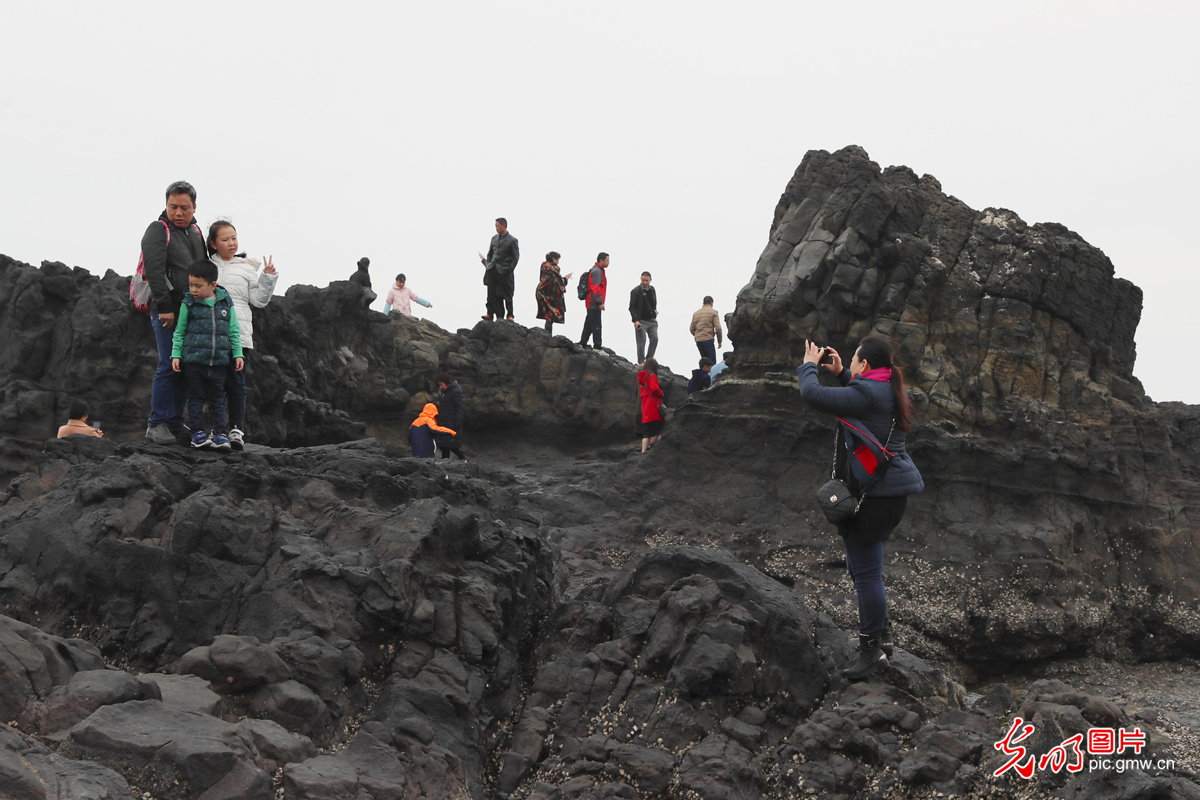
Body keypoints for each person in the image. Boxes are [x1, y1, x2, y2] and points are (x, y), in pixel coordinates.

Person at [797, 334, 924, 680]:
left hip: (875, 498)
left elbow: (812, 394)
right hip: (888, 495)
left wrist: (809, 365)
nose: (850, 362)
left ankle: (870, 652)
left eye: (853, 359)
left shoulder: (869, 393)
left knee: (866, 574)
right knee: (863, 569)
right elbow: (862, 397)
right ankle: (882, 638)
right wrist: (840, 373)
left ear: (865, 365)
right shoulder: (887, 389)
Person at [142, 181, 207, 445]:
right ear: (166, 205)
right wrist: (165, 308)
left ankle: (174, 422)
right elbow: (154, 270)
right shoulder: (158, 230)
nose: (178, 213)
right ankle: (156, 424)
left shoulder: (195, 231)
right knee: (169, 365)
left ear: (194, 207)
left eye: (184, 208)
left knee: (185, 366)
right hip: (168, 312)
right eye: (173, 207)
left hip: (192, 311)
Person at [208, 221, 278, 450]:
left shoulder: (247, 268)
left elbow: (259, 301)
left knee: (237, 384)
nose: (231, 243)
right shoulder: (207, 266)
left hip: (240, 335)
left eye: (234, 238)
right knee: (214, 383)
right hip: (212, 335)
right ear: (213, 244)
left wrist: (267, 278)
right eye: (225, 239)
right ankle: (217, 429)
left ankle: (236, 429)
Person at [171, 259, 244, 451]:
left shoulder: (225, 303)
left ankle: (220, 433)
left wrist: (238, 354)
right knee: (195, 398)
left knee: (217, 399)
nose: (193, 290)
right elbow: (179, 331)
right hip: (194, 362)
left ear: (213, 285)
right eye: (190, 285)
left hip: (219, 362)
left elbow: (234, 331)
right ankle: (197, 434)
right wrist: (176, 355)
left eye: (198, 286)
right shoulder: (188, 303)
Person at [479, 218, 519, 321]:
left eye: (498, 226)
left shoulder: (512, 240)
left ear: (504, 226)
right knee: (491, 293)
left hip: (505, 270)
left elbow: (516, 257)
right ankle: (490, 313)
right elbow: (490, 253)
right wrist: (488, 264)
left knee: (507, 293)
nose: (496, 228)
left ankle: (510, 315)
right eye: (496, 226)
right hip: (493, 269)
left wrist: (509, 269)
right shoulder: (494, 238)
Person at [535, 252, 571, 334]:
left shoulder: (544, 266)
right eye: (558, 259)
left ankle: (547, 335)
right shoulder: (554, 269)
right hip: (549, 295)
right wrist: (566, 278)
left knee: (548, 315)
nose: (558, 262)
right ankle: (548, 336)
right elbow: (558, 282)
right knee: (550, 316)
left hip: (541, 292)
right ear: (554, 259)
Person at [579, 253, 609, 349]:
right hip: (593, 302)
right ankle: (597, 347)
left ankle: (582, 343)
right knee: (596, 325)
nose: (608, 262)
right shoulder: (597, 271)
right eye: (607, 260)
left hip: (591, 302)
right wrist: (600, 302)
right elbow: (595, 287)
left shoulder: (598, 270)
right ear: (601, 260)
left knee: (589, 324)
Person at [629, 271, 658, 365]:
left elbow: (654, 302)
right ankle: (641, 361)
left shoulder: (652, 289)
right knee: (641, 341)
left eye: (647, 280)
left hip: (652, 320)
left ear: (650, 280)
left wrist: (654, 312)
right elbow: (632, 307)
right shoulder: (635, 291)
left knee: (655, 339)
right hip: (641, 320)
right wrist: (635, 320)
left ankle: (649, 359)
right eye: (643, 280)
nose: (645, 282)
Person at [435, 372, 466, 460]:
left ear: (447, 383)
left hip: (452, 423)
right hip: (445, 423)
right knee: (444, 446)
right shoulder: (445, 392)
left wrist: (458, 422)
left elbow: (460, 407)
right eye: (439, 386)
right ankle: (445, 464)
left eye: (441, 385)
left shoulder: (455, 391)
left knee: (451, 445)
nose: (441, 387)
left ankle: (462, 457)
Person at [637, 358, 665, 453]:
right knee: (657, 429)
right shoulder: (652, 375)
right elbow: (654, 388)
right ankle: (651, 450)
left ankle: (643, 451)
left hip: (645, 405)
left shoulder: (641, 377)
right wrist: (661, 393)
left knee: (647, 431)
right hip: (653, 405)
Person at [690, 296, 723, 364]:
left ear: (703, 303)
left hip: (699, 340)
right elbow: (718, 328)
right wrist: (719, 341)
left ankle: (704, 374)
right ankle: (711, 374)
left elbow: (692, 328)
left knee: (704, 362)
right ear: (711, 303)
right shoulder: (713, 312)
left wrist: (698, 335)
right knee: (712, 362)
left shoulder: (696, 313)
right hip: (708, 339)